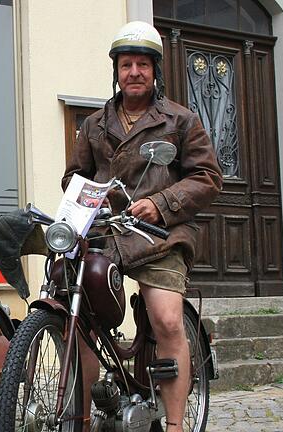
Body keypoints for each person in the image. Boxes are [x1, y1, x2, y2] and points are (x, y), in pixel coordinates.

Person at [61, 21, 223, 431]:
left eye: (142, 64)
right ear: (116, 71)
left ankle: (174, 423)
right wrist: (92, 196)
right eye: (126, 64)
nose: (134, 72)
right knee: (75, 317)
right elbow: (73, 176)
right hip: (105, 233)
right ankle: (79, 417)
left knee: (167, 319)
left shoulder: (181, 120)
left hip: (162, 237)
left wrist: (161, 202)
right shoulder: (95, 124)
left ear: (155, 71)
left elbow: (206, 177)